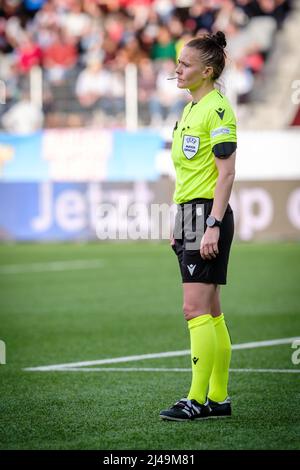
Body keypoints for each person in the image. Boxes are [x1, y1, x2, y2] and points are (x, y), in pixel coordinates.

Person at [160, 31, 237, 421]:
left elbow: (226, 175)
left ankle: (196, 399)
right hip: (189, 214)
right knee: (211, 310)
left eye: (185, 64)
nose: (178, 70)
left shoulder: (217, 109)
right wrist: (181, 220)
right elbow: (190, 172)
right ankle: (218, 399)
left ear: (207, 71)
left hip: (207, 214)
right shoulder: (191, 107)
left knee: (194, 310)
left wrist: (211, 224)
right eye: (178, 62)